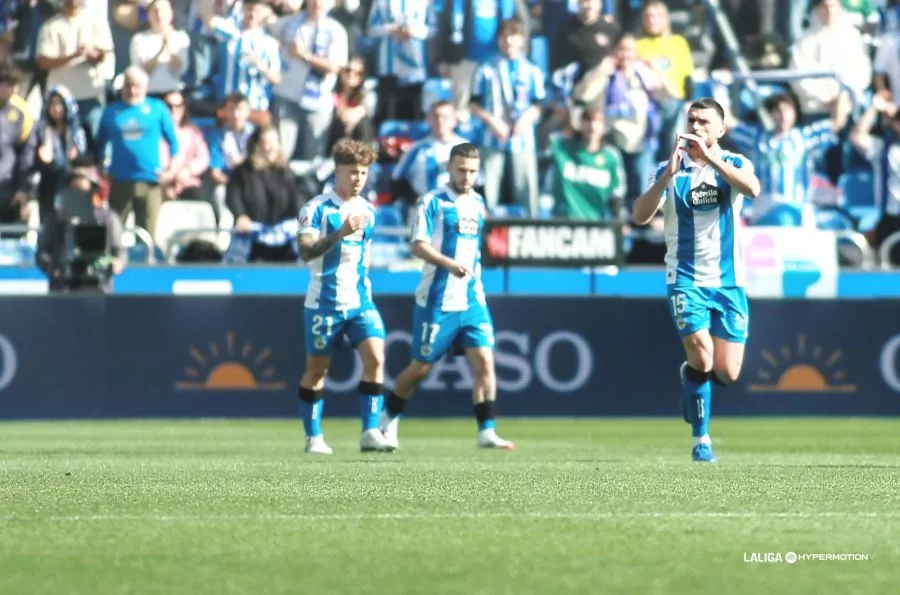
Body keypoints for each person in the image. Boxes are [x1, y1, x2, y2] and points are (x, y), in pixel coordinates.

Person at [631, 98, 761, 463]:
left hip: (729, 281)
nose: (696, 126)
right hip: (685, 278)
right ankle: (701, 440)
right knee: (702, 353)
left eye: (704, 121)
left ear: (720, 130)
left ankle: (691, 380)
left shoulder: (734, 162)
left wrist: (712, 159)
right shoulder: (667, 168)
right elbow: (639, 215)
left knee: (728, 372)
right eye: (692, 120)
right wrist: (666, 178)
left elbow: (753, 190)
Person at [379, 143, 514, 451]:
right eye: (461, 170)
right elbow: (417, 245)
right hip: (438, 300)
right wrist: (448, 264)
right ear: (450, 168)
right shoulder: (432, 202)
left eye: (472, 171)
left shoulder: (478, 203)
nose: (467, 177)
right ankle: (388, 419)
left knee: (485, 363)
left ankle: (486, 431)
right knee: (421, 368)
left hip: (472, 299)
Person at [296, 139, 393, 454]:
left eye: (363, 172)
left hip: (360, 301)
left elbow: (364, 254)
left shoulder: (369, 211)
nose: (358, 179)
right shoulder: (316, 209)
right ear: (336, 171)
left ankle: (370, 432)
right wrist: (340, 233)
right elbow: (306, 251)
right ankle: (313, 437)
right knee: (317, 370)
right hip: (324, 301)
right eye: (352, 172)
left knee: (376, 357)